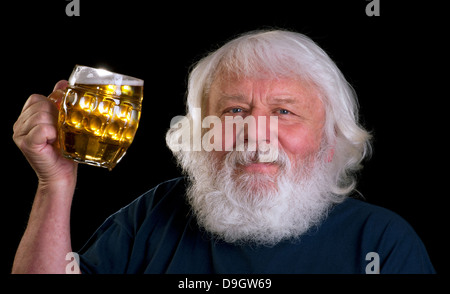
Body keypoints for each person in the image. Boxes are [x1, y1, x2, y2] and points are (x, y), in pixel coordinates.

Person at [12, 30, 435, 274]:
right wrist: (56, 181)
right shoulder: (153, 216)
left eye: (284, 111)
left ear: (330, 142)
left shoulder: (381, 244)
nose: (255, 133)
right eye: (234, 110)